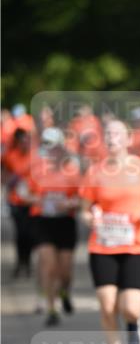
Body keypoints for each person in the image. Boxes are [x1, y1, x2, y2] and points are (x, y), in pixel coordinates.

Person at [80, 118, 140, 344]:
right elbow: (85, 208)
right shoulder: (95, 171)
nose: (112, 138)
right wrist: (91, 217)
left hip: (135, 243)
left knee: (131, 308)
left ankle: (134, 325)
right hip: (103, 244)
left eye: (117, 134)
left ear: (128, 139)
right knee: (107, 305)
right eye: (108, 134)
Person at [27, 128, 81, 325]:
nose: (50, 150)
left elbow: (81, 197)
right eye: (46, 145)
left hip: (65, 222)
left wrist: (69, 203)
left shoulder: (72, 169)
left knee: (65, 269)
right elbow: (25, 192)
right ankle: (51, 308)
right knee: (49, 266)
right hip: (43, 221)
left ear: (61, 146)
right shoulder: (37, 168)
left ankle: (65, 291)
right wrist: (38, 200)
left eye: (53, 145)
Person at [2, 127, 34, 277]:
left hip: (31, 201)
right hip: (15, 200)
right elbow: (3, 173)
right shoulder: (9, 156)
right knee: (20, 233)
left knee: (29, 233)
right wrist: (9, 180)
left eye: (27, 141)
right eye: (22, 141)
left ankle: (27, 261)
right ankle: (20, 262)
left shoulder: (34, 157)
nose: (25, 144)